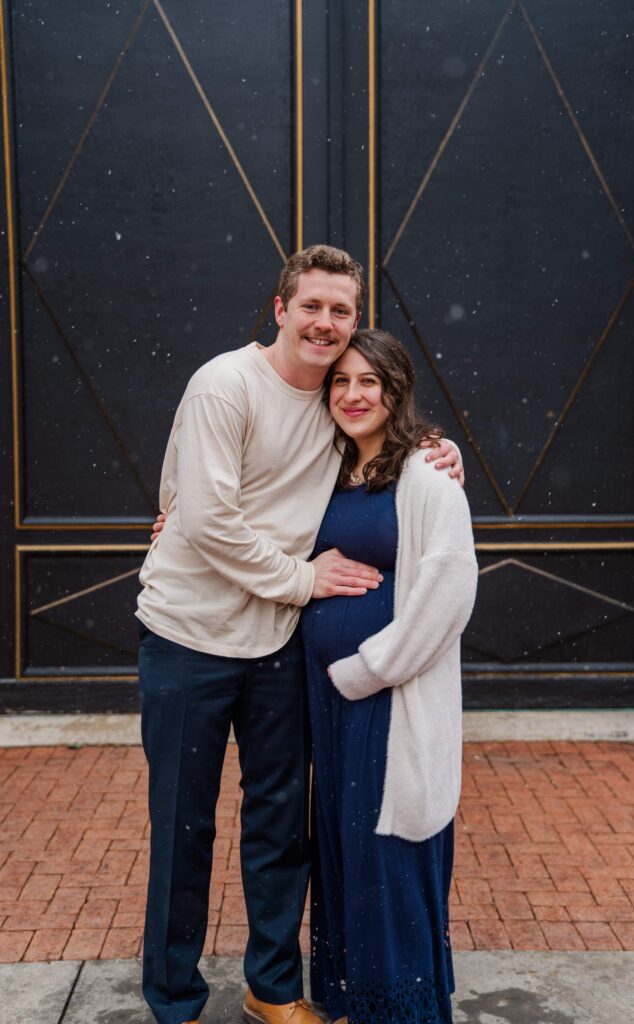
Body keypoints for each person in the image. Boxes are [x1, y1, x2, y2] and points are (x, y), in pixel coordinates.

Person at [136, 245, 463, 1024]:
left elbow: (381, 437)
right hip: (189, 638)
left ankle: (272, 990)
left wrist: (434, 447)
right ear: (279, 309)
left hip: (277, 648)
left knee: (280, 826)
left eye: (340, 311)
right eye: (310, 306)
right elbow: (206, 513)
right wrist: (302, 579)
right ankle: (174, 997)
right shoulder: (225, 384)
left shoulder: (334, 401)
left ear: (354, 320)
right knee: (183, 824)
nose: (325, 324)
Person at [300, 329, 477, 1024]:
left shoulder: (428, 477)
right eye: (339, 381)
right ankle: (352, 995)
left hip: (386, 698)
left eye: (367, 381)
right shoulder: (324, 469)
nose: (351, 394)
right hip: (327, 699)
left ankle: (402, 1006)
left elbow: (448, 593)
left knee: (388, 849)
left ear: (394, 390)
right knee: (342, 845)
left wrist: (365, 669)